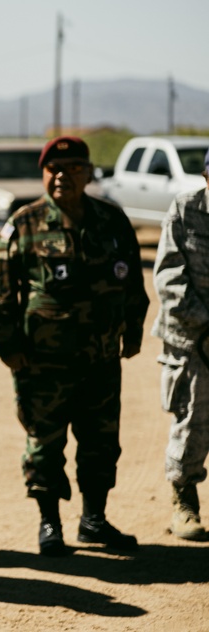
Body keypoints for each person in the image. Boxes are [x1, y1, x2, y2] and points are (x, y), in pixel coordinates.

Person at [0, 136, 149, 556]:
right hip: (44, 364)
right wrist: (10, 349)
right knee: (44, 444)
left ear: (89, 173)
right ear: (43, 175)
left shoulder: (112, 220)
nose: (62, 175)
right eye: (54, 168)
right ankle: (50, 524)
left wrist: (133, 332)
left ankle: (93, 521)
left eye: (73, 167)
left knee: (101, 443)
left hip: (102, 360)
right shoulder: (25, 223)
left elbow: (133, 286)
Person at [150, 148, 209, 542]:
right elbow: (168, 278)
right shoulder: (186, 209)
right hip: (193, 341)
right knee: (192, 421)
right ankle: (183, 503)